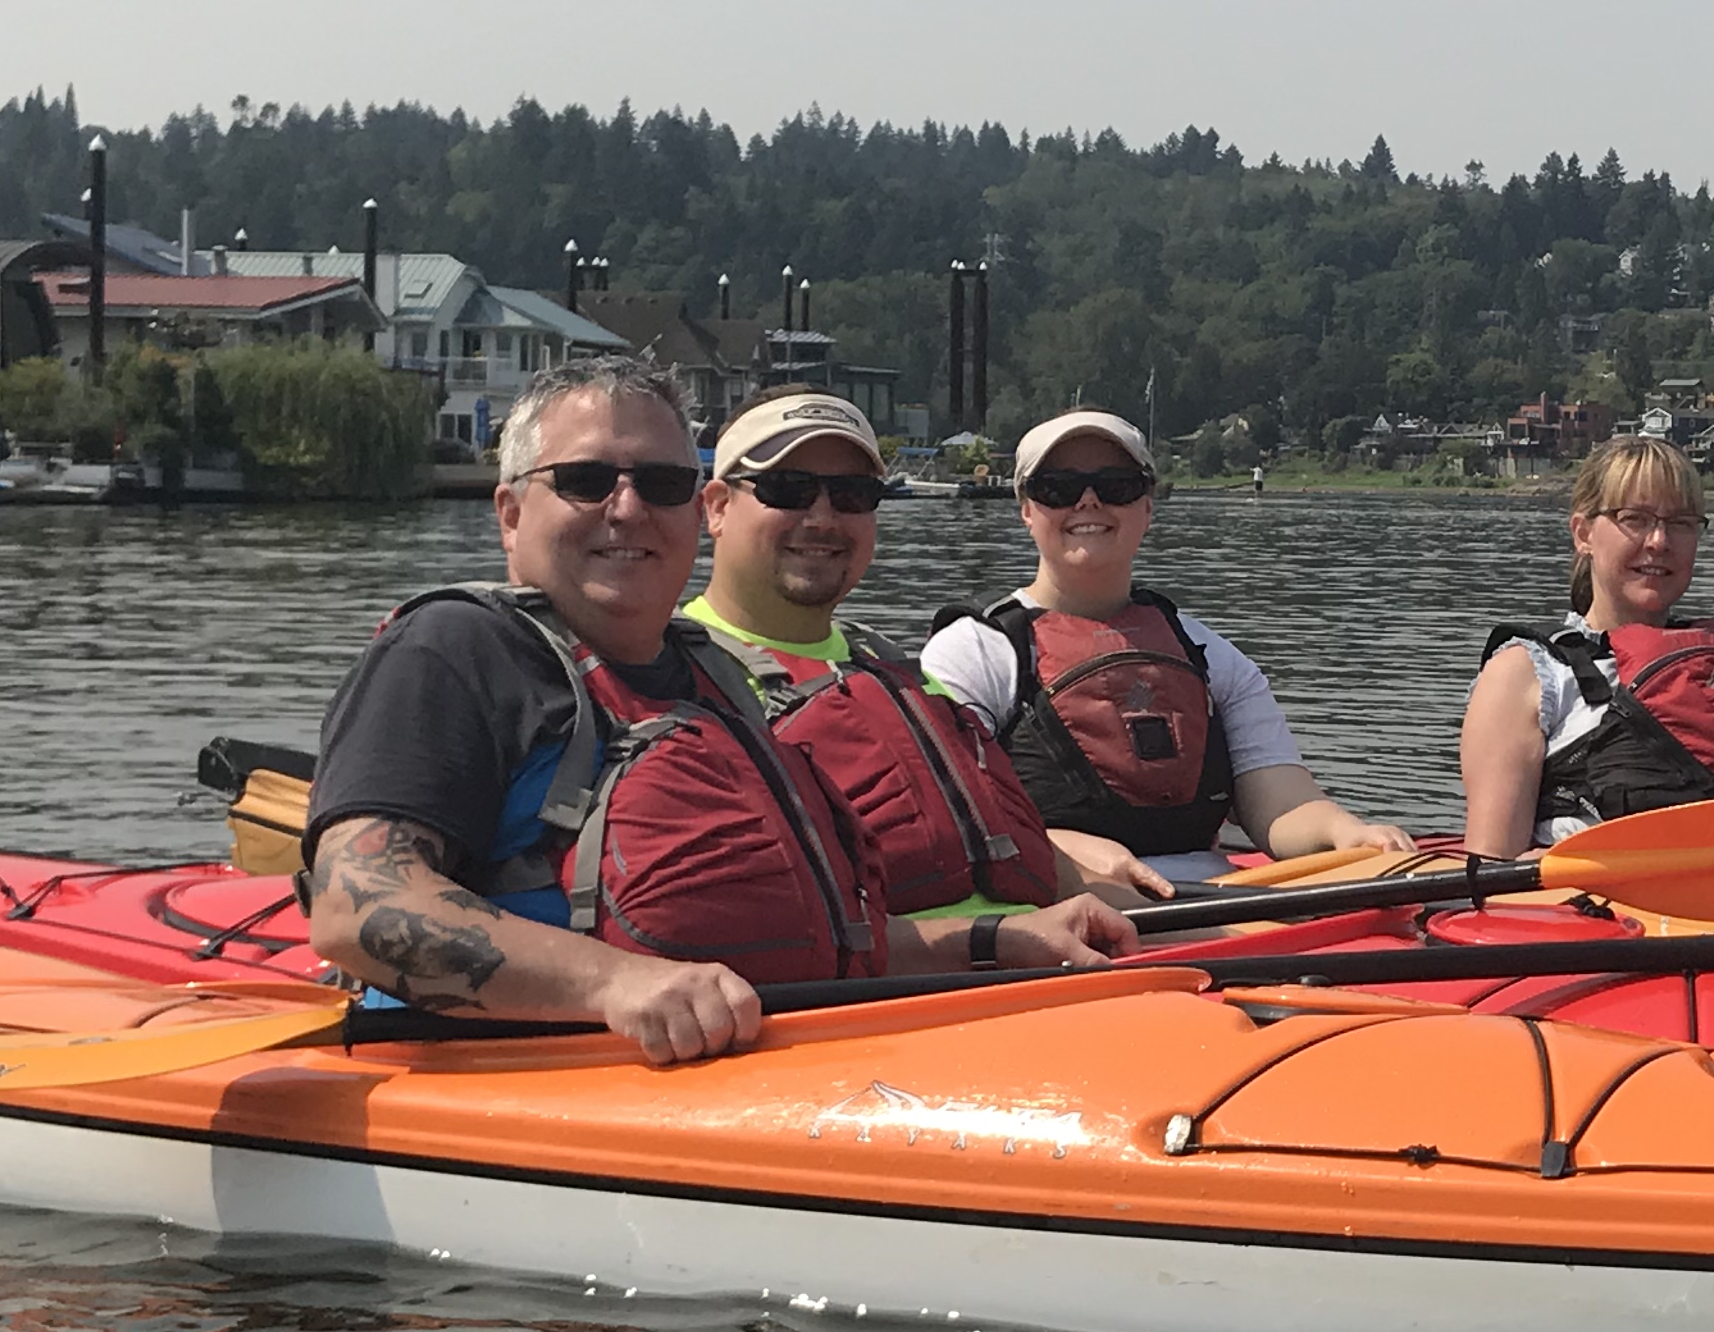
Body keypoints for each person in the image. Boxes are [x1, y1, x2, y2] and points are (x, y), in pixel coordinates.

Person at [302, 357, 1135, 1064]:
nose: (627, 509)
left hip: (742, 1063)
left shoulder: (712, 679)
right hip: (513, 1074)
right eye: (587, 481)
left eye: (660, 484)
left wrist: (990, 940)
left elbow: (810, 934)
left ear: (692, 509)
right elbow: (356, 905)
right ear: (512, 512)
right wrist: (617, 984)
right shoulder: (453, 650)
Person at [921, 407, 1414, 894]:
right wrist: (1057, 850)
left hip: (1215, 907)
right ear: (1027, 509)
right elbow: (955, 812)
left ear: (1147, 506)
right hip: (1058, 909)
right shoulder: (974, 654)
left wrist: (1345, 834)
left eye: (1116, 486)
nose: (1088, 502)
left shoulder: (1211, 657)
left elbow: (1280, 801)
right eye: (1058, 488)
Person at [679, 386, 1065, 915]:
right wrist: (987, 941)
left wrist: (1081, 863)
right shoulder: (673, 681)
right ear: (718, 508)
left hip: (1049, 963)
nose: (822, 517)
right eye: (788, 489)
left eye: (853, 494)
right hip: (907, 987)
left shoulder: (897, 671)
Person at [1456, 433, 1714, 860]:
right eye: (1635, 518)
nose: (1659, 541)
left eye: (1682, 522)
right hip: (1590, 918)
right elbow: (1489, 869)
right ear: (1583, 534)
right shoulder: (1527, 674)